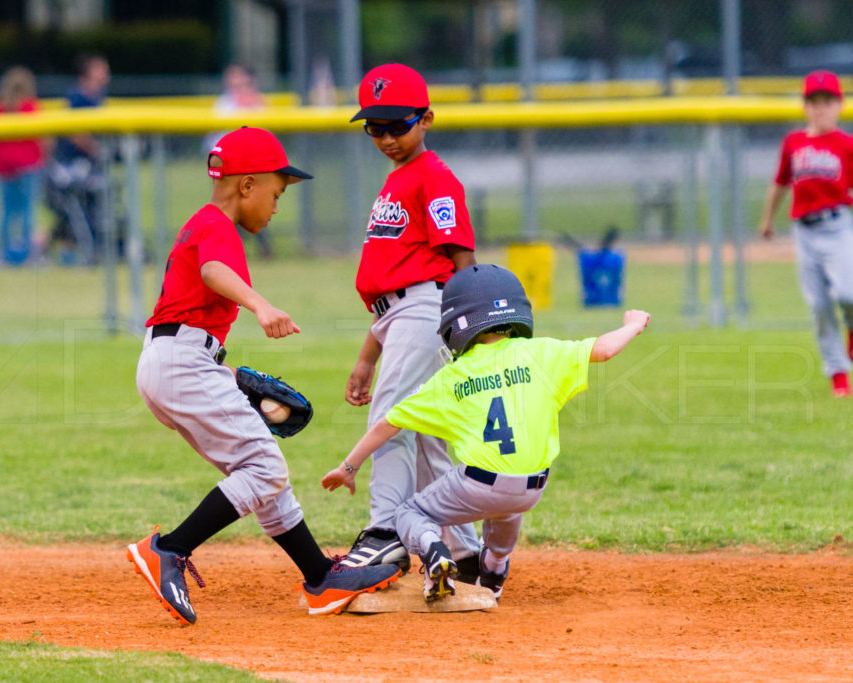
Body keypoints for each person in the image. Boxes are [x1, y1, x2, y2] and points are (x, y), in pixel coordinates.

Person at [126, 126, 400, 625]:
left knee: (262, 475)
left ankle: (320, 578)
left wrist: (224, 373)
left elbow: (188, 308)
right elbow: (213, 274)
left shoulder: (202, 224)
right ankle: (169, 549)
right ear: (246, 185)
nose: (276, 207)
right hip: (180, 362)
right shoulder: (217, 227)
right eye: (275, 193)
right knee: (264, 466)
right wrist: (260, 305)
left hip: (176, 360)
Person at [323, 264, 651, 601]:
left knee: (409, 513)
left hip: (477, 485)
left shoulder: (454, 376)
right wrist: (633, 325)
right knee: (506, 508)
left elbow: (388, 423)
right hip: (531, 488)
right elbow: (604, 349)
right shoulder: (542, 353)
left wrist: (349, 467)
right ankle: (493, 570)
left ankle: (436, 550)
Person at [340, 62, 483, 580]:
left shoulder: (435, 178)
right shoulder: (397, 180)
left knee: (392, 418)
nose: (385, 138)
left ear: (426, 120)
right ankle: (468, 555)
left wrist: (469, 332)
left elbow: (459, 261)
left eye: (397, 126)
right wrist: (366, 356)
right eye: (374, 128)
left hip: (426, 310)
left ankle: (383, 535)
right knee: (426, 438)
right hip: (397, 315)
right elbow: (390, 286)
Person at [758, 69, 853, 397]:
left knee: (850, 294)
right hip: (805, 230)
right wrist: (768, 219)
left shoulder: (848, 145)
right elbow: (781, 182)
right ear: (805, 106)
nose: (821, 108)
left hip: (839, 225)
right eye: (814, 101)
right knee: (819, 305)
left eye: (827, 101)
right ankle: (838, 373)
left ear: (839, 105)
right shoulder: (794, 143)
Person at [206, 64, 274, 259]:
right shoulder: (224, 104)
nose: (236, 83)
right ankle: (230, 247)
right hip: (229, 167)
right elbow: (213, 139)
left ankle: (260, 245)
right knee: (229, 209)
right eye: (232, 78)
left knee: (255, 206)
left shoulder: (259, 102)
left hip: (255, 166)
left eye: (240, 79)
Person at [48, 54, 111, 262]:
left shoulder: (97, 98)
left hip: (90, 166)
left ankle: (94, 248)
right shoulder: (77, 97)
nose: (104, 74)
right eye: (100, 69)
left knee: (93, 207)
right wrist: (96, 148)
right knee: (73, 210)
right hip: (71, 164)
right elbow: (75, 134)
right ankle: (73, 251)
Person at [0, 66, 47, 266]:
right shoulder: (31, 107)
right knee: (28, 211)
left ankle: (4, 254)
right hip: (28, 165)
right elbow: (43, 138)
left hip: (4, 166)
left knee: (6, 213)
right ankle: (29, 255)